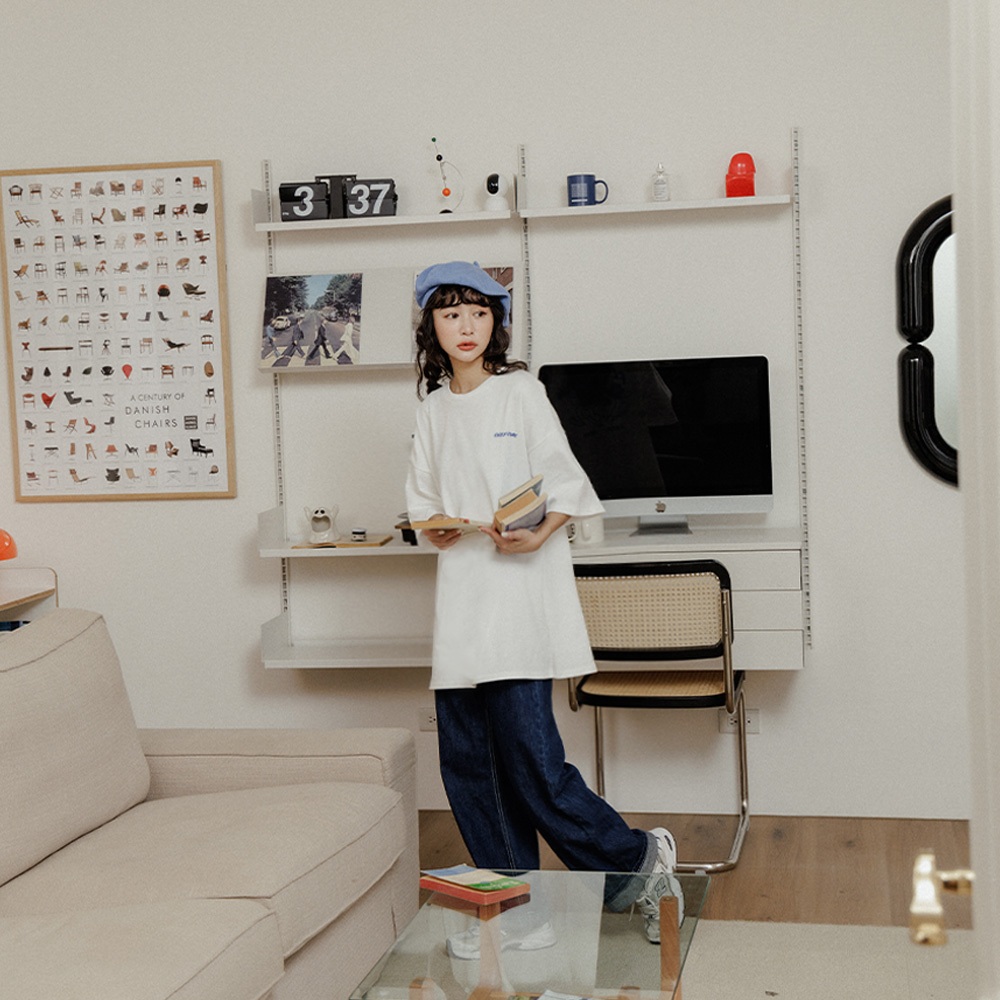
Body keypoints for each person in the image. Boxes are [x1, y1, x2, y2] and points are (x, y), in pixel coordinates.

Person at [404, 260, 682, 947]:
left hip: (521, 600)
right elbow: (422, 503)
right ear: (430, 326)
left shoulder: (521, 392)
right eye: (450, 313)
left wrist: (540, 533)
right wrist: (437, 528)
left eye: (478, 312)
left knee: (532, 764)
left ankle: (638, 861)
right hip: (462, 604)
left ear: (495, 322)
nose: (466, 326)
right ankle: (518, 909)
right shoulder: (432, 409)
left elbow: (567, 483)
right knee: (470, 766)